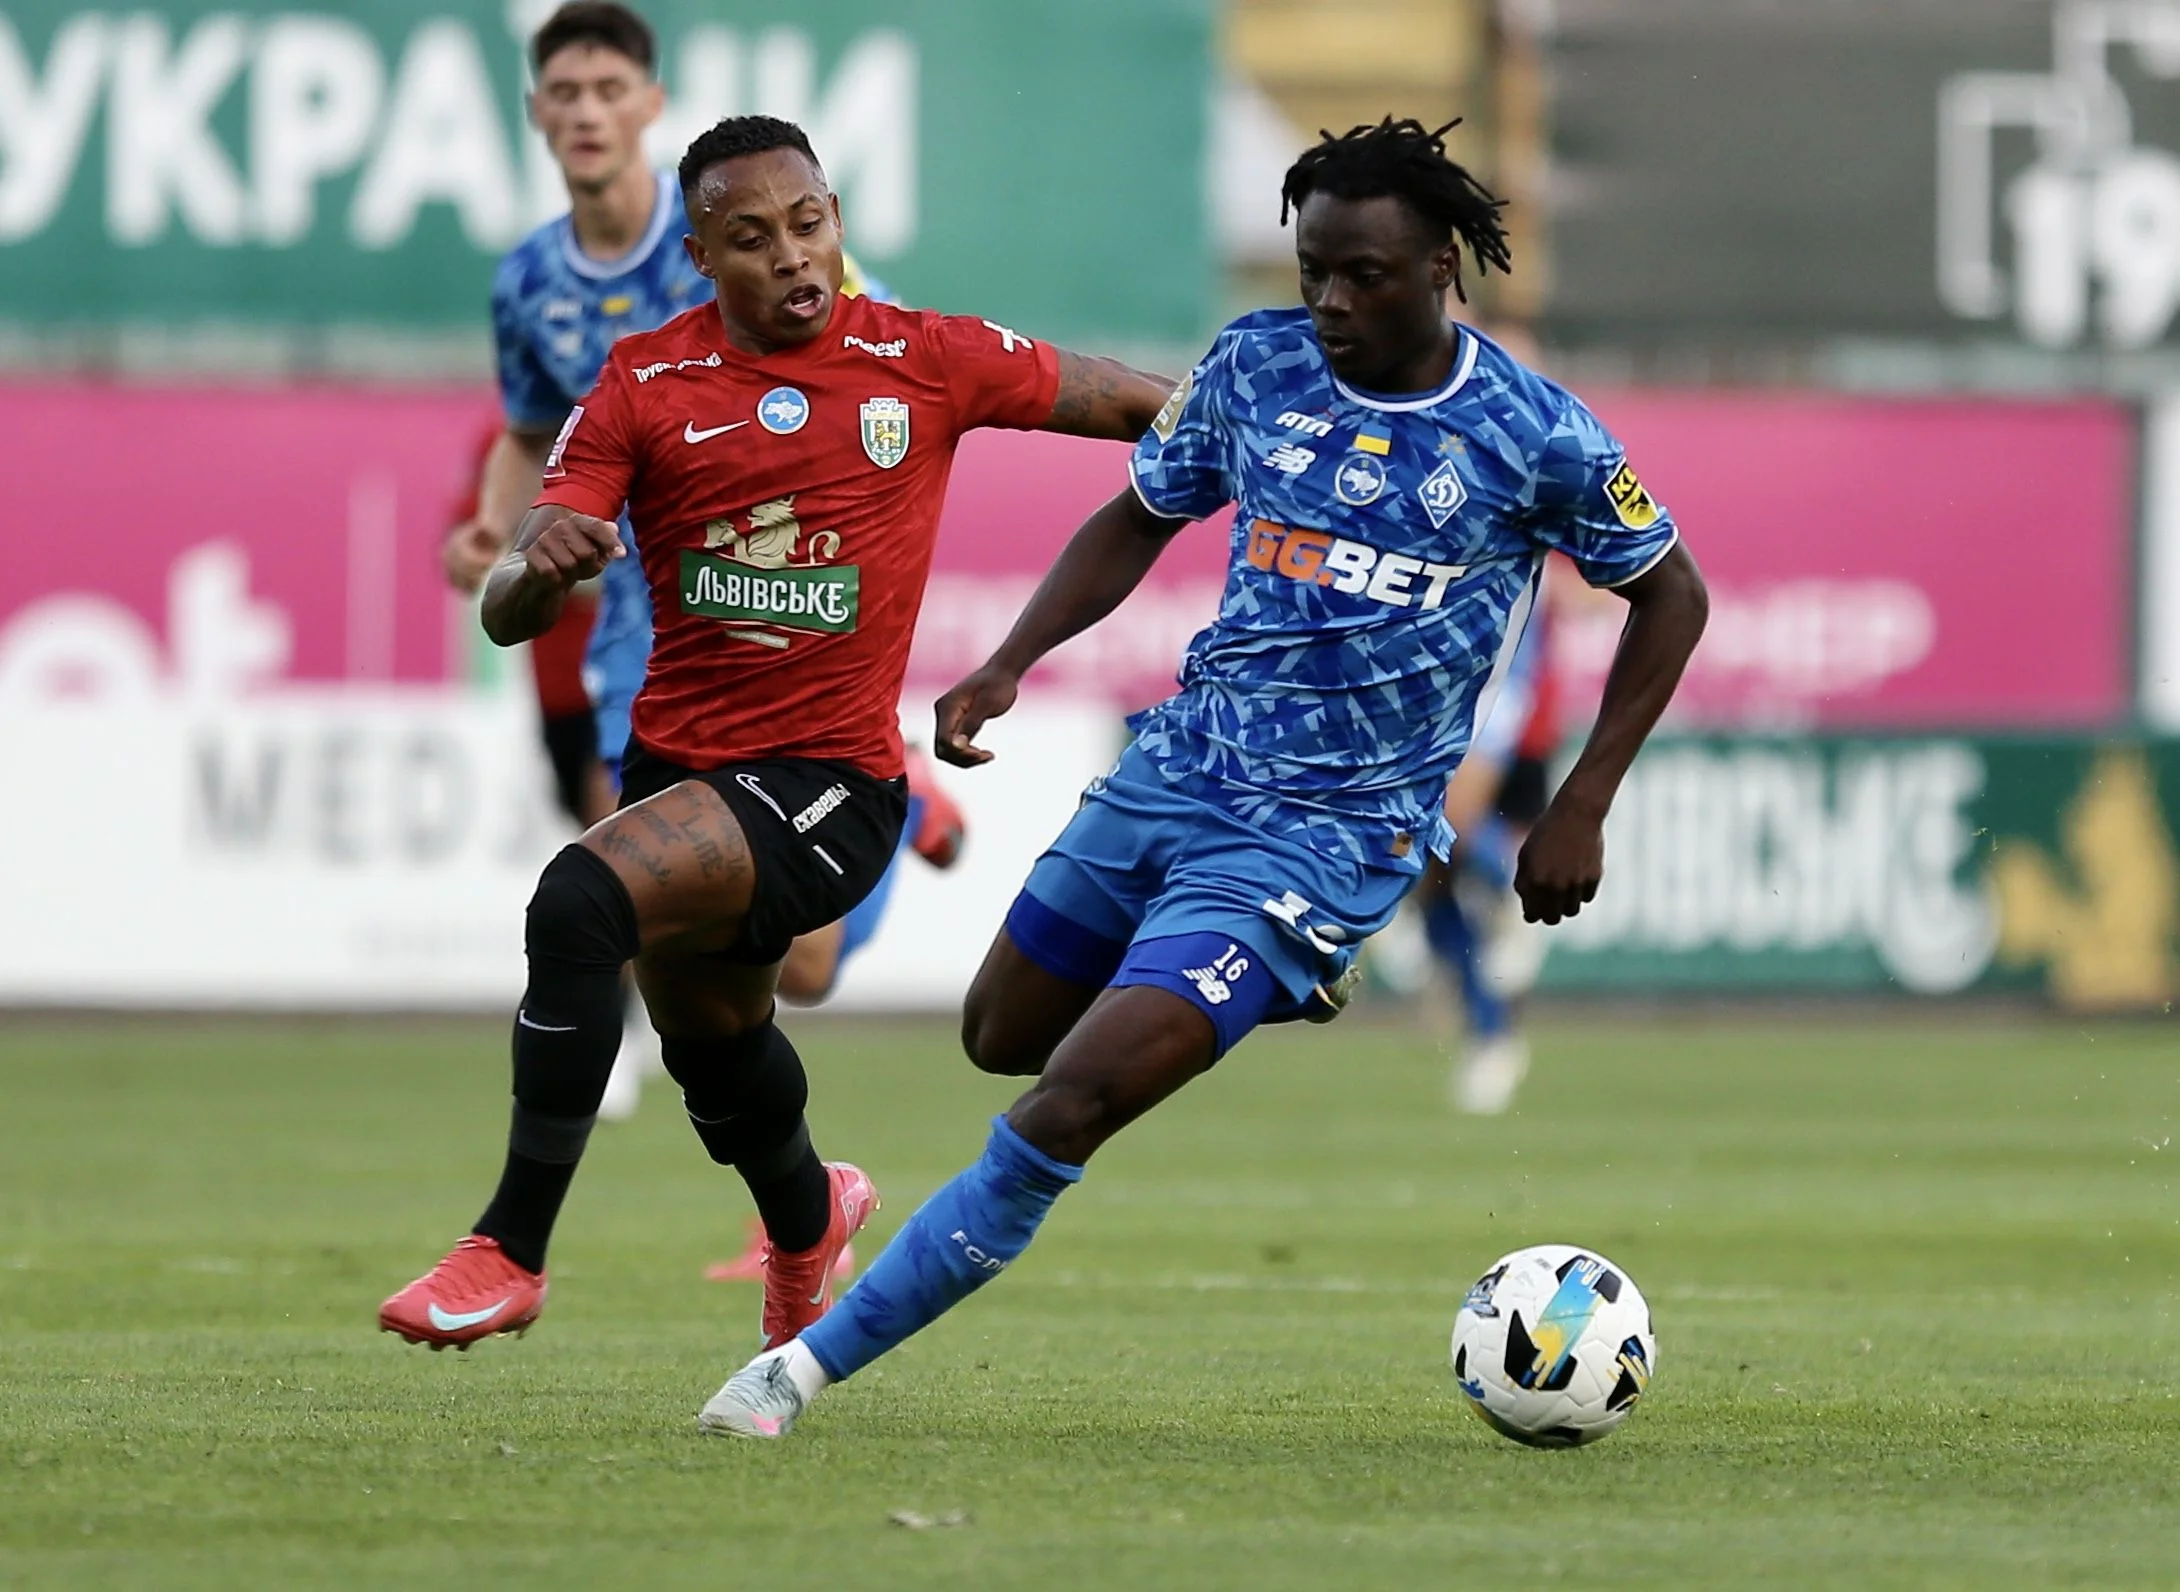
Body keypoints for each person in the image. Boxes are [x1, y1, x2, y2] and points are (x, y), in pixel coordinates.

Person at [697, 116, 1710, 1437]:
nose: (1330, 302)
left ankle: (793, 1374)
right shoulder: (1254, 364)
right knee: (1001, 1037)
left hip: (1323, 842)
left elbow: (1672, 593)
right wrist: (1009, 660)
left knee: (1071, 1101)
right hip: (1176, 772)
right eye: (1312, 272)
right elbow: (1138, 512)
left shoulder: (1531, 432)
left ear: (1441, 267)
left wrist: (1581, 800)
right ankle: (1273, 985)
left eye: (1363, 276)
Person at [378, 113, 1172, 1359]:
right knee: (718, 1054)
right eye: (750, 238)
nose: (791, 254)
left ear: (837, 221)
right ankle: (810, 1225)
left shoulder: (924, 356)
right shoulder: (641, 383)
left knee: (579, 900)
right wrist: (540, 566)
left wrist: (1290, 432)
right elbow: (506, 603)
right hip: (680, 768)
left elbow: (1133, 401)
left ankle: (508, 1249)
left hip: (830, 784)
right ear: (699, 257)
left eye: (808, 224)